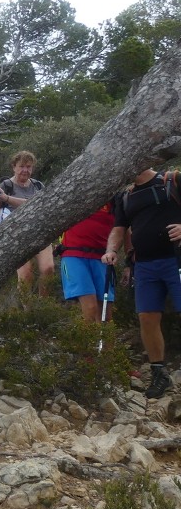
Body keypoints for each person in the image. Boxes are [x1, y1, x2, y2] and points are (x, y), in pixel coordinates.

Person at [103, 169, 181, 399]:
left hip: (175, 258)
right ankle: (159, 374)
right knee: (146, 317)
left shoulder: (171, 180)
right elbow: (119, 228)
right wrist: (111, 250)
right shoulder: (124, 196)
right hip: (145, 265)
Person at [0, 150, 55, 293]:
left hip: (40, 232)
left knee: (48, 269)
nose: (25, 170)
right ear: (14, 167)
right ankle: (27, 311)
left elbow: (38, 204)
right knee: (26, 274)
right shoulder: (7, 186)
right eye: (22, 166)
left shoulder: (38, 186)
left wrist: (7, 199)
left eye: (29, 167)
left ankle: (42, 305)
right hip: (16, 235)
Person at [60, 202, 116, 323]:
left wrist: (128, 259)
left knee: (106, 315)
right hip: (74, 255)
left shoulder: (115, 199)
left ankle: (104, 342)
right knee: (90, 308)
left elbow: (123, 227)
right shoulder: (75, 194)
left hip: (102, 257)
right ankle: (87, 341)